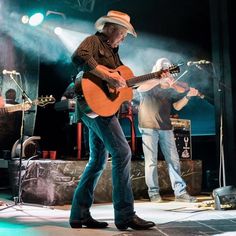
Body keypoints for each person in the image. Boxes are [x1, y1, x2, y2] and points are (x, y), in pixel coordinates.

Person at [69, 10, 155, 230]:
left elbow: (124, 81)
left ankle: (79, 215)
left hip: (100, 108)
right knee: (123, 152)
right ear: (112, 28)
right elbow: (78, 56)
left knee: (97, 161)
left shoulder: (114, 53)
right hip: (93, 107)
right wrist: (107, 76)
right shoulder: (94, 41)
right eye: (123, 33)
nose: (124, 38)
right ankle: (125, 215)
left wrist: (155, 77)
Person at [137, 57, 199, 203]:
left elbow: (177, 107)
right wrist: (160, 79)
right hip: (147, 125)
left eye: (168, 66)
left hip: (166, 127)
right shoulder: (150, 82)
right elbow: (140, 88)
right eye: (163, 66)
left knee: (174, 160)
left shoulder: (170, 88)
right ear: (156, 68)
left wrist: (188, 96)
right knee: (151, 161)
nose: (166, 68)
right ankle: (153, 193)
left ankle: (180, 192)